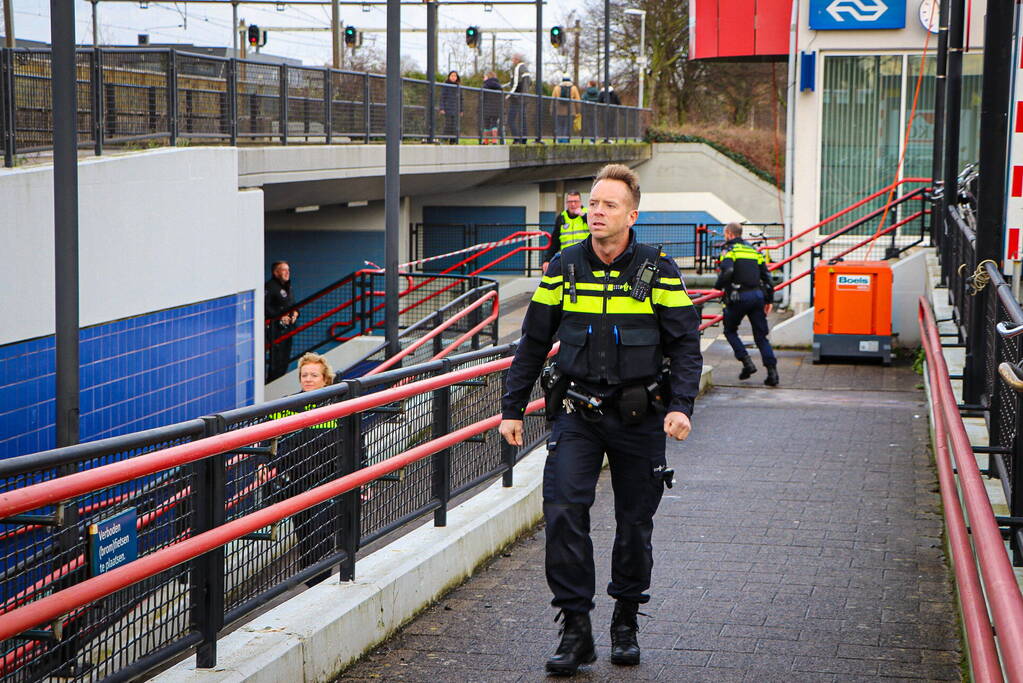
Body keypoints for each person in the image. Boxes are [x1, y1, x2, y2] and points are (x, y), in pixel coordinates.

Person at [499, 164, 703, 675]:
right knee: (564, 511)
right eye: (593, 204)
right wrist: (512, 408)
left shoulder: (658, 270)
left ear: (632, 215)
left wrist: (681, 406)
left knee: (634, 523)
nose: (596, 212)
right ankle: (576, 629)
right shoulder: (564, 267)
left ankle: (626, 621)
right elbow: (532, 342)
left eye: (608, 205)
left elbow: (684, 344)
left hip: (641, 417)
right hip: (576, 414)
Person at [258, 352, 339, 588]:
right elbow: (268, 437)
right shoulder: (288, 405)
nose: (308, 379)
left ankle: (319, 584)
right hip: (297, 483)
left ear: (325, 379)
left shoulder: (337, 405)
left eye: (314, 375)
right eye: (304, 375)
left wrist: (361, 475)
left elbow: (356, 442)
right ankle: (311, 585)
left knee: (321, 535)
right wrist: (264, 463)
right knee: (304, 537)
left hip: (330, 483)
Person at [715, 222, 779, 386]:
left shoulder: (729, 250)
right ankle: (772, 373)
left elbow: (727, 271)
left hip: (738, 297)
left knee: (729, 330)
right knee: (761, 337)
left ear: (729, 233)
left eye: (725, 234)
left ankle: (747, 362)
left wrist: (717, 287)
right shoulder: (753, 250)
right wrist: (769, 300)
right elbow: (767, 277)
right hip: (757, 296)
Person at [266, 261, 298, 382]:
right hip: (275, 330)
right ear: (276, 272)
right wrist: (279, 317)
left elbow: (293, 304)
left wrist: (296, 313)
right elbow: (265, 307)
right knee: (276, 360)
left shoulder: (288, 286)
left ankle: (279, 379)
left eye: (288, 270)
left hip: (288, 329)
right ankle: (272, 382)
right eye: (284, 270)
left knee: (285, 358)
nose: (287, 272)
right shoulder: (270, 287)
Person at [542, 191, 588, 273]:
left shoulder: (588, 214)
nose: (573, 204)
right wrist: (547, 260)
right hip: (567, 258)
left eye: (576, 201)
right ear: (566, 203)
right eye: (570, 201)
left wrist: (584, 216)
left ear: (580, 202)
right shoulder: (561, 217)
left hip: (585, 258)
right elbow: (555, 241)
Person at [506, 55, 532, 144]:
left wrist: (509, 95)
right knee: (522, 118)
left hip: (517, 98)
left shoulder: (518, 68)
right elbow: (530, 83)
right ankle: (524, 138)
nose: (512, 61)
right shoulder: (526, 69)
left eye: (513, 59)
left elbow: (516, 84)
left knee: (511, 119)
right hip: (525, 97)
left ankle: (516, 138)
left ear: (517, 60)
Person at [551, 75, 581, 143]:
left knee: (559, 127)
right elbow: (578, 100)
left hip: (559, 111)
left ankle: (559, 140)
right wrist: (578, 111)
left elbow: (553, 100)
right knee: (567, 127)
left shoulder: (556, 88)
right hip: (570, 111)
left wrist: (552, 110)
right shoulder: (574, 88)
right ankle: (565, 141)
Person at [439, 70, 462, 144]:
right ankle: (444, 139)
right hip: (448, 108)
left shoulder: (458, 86)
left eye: (455, 76)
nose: (453, 77)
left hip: (456, 109)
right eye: (452, 75)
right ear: (449, 77)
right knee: (448, 124)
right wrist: (442, 108)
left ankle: (453, 141)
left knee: (455, 125)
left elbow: (461, 99)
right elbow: (442, 97)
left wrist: (461, 110)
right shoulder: (445, 85)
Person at [482, 71, 503, 144]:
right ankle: (495, 140)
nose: (483, 79)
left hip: (486, 107)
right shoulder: (499, 86)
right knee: (494, 123)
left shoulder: (485, 85)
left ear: (487, 77)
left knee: (486, 124)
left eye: (484, 77)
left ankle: (485, 140)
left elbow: (482, 97)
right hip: (496, 108)